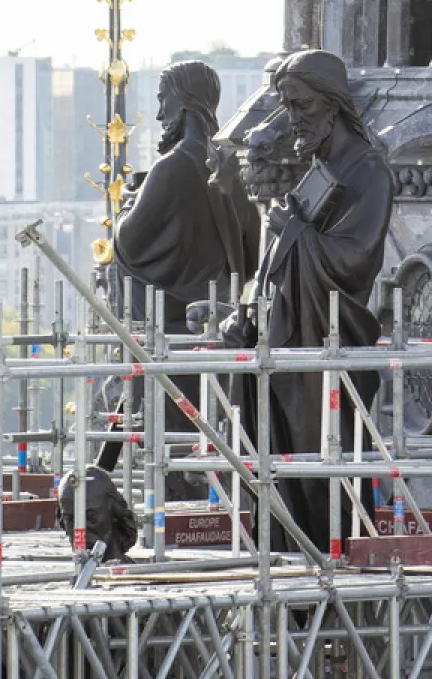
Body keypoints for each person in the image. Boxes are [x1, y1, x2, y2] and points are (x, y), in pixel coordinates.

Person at [229, 48, 394, 550]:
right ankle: (286, 567)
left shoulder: (368, 171)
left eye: (300, 106)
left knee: (323, 465)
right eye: (287, 106)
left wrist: (295, 232)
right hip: (289, 338)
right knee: (281, 464)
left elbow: (357, 258)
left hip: (327, 340)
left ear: (330, 104)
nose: (292, 119)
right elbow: (280, 252)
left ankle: (328, 574)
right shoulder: (322, 164)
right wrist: (250, 308)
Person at [101, 60, 260, 485]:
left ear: (184, 103)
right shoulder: (229, 166)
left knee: (169, 447)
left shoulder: (171, 168)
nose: (158, 115)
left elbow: (128, 242)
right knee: (209, 439)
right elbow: (252, 250)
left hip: (170, 332)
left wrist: (128, 207)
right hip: (218, 327)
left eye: (162, 101)